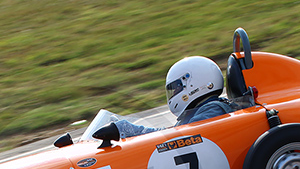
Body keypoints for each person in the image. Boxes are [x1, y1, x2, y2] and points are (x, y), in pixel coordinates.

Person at [93, 56, 237, 142]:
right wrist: (129, 131)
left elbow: (180, 138)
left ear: (193, 83)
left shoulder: (214, 109)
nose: (174, 93)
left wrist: (129, 129)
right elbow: (172, 132)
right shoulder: (197, 112)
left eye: (177, 88)